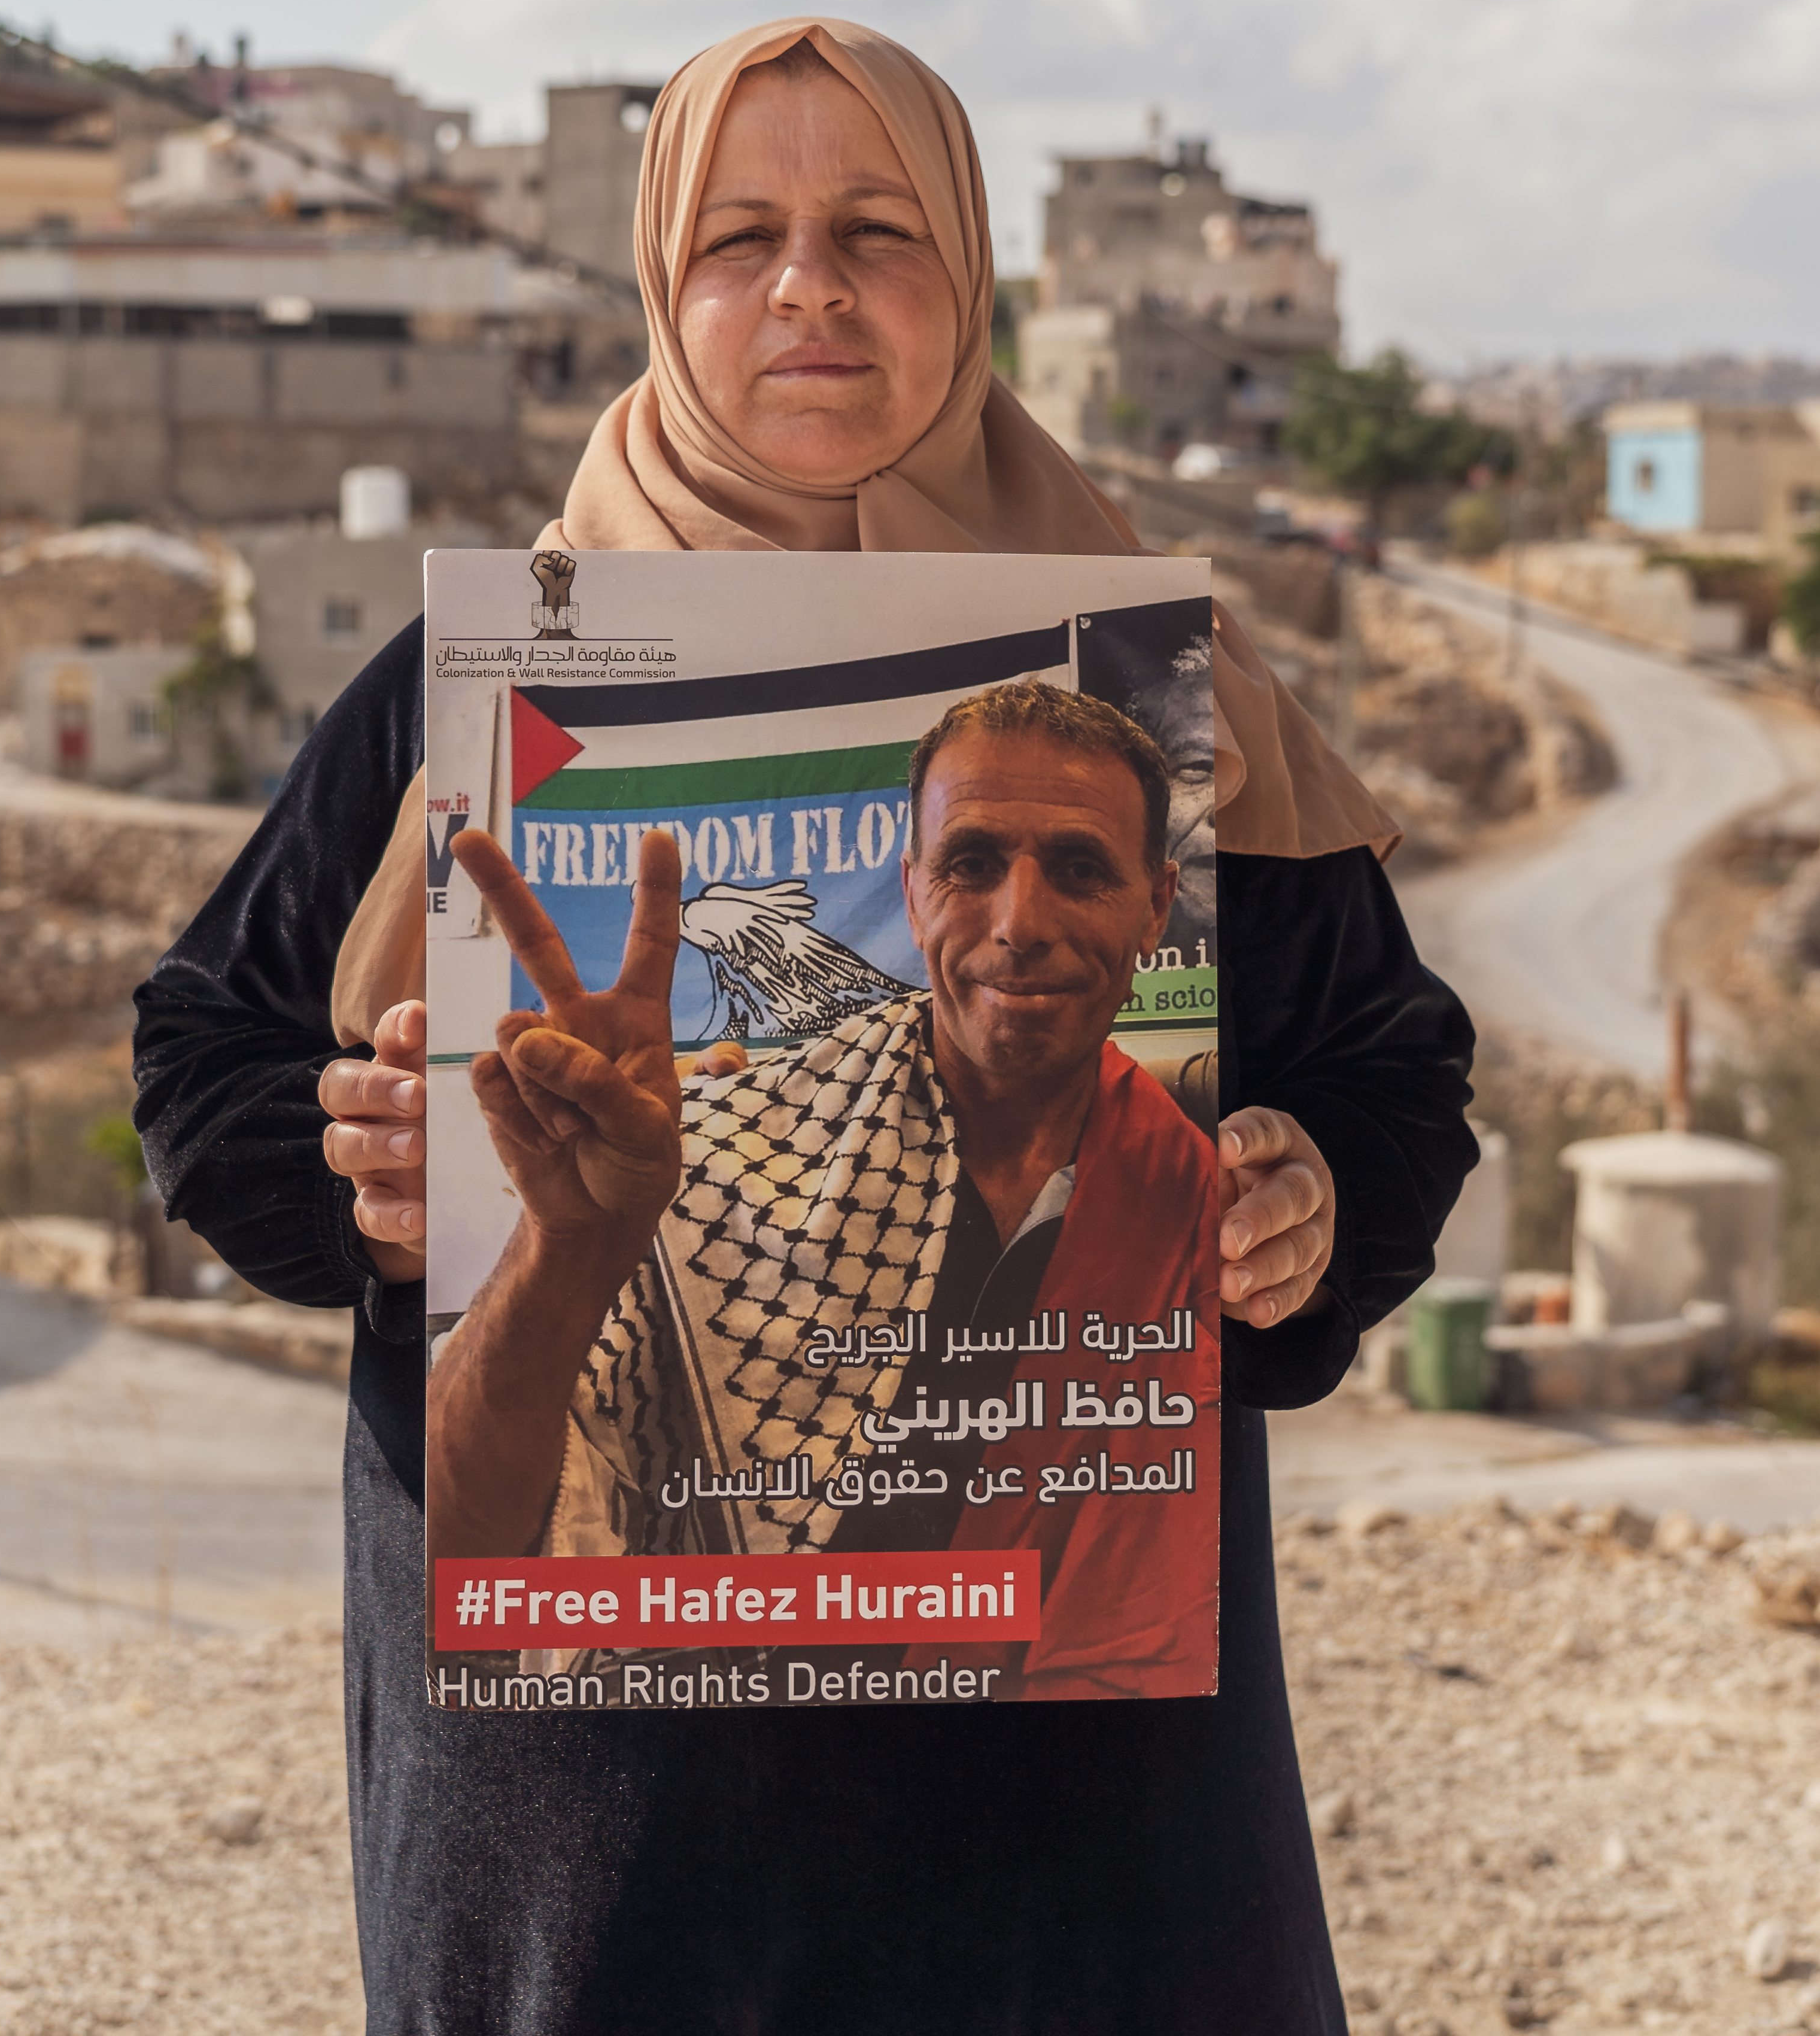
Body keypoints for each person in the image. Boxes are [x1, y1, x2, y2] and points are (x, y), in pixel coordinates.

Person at [132, 14, 1479, 2035]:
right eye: (739, 235)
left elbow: (1389, 1073)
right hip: (607, 1800)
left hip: (1066, 1793)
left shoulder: (1164, 684)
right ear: (664, 289)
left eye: (877, 229)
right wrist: (364, 1179)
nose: (810, 289)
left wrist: (1309, 1208)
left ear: (972, 276)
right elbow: (204, 1054)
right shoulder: (481, 683)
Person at [437, 680, 1230, 1700]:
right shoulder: (717, 1155)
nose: (1019, 922)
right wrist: (564, 1243)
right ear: (912, 891)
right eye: (972, 864)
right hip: (727, 1803)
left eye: (1079, 870)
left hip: (1076, 1805)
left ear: (1157, 906)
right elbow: (468, 1573)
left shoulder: (1205, 1191)